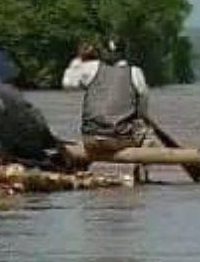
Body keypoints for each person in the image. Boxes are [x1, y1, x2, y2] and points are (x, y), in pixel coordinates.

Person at [61, 40, 157, 178]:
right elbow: (142, 112)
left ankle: (80, 171)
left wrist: (78, 59)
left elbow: (67, 83)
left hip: (90, 138)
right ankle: (140, 175)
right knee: (149, 136)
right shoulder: (135, 72)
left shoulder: (91, 68)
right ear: (125, 53)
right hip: (118, 139)